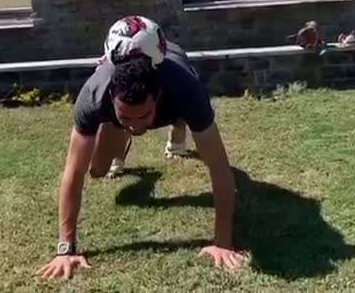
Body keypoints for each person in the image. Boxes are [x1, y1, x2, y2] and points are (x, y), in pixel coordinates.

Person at [38, 16, 247, 280]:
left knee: (184, 112)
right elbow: (73, 172)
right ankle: (120, 133)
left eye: (143, 116)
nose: (136, 125)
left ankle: (177, 131)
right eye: (126, 116)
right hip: (121, 109)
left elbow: (218, 166)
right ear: (111, 98)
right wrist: (65, 249)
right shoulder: (94, 97)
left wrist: (223, 242)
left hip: (174, 87)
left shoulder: (186, 88)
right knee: (98, 170)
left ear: (157, 97)